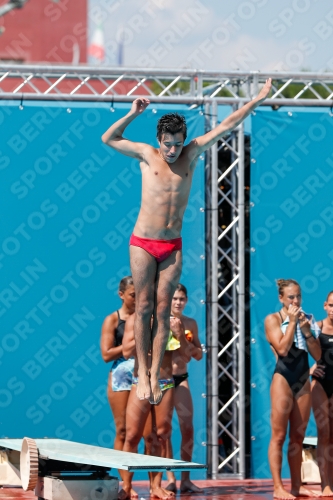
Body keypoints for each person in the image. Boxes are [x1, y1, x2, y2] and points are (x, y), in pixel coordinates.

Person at [101, 78, 272, 404]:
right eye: (167, 143)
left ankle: (153, 374)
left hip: (171, 245)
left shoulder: (191, 154)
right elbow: (108, 138)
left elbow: (228, 124)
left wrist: (259, 98)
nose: (171, 150)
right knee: (145, 305)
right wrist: (132, 113)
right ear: (159, 140)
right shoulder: (147, 154)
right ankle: (142, 372)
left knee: (163, 310)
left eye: (177, 144)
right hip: (142, 243)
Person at [264, 279, 321, 500]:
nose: (295, 301)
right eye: (291, 297)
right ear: (281, 298)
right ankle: (278, 487)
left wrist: (306, 330)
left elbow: (317, 355)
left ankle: (297, 486)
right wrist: (292, 322)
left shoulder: (307, 319)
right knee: (278, 435)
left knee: (298, 436)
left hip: (302, 378)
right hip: (283, 377)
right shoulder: (273, 319)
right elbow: (282, 348)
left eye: (298, 296)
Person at [119, 312, 185, 500]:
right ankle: (126, 486)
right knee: (132, 435)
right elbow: (126, 352)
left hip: (165, 382)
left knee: (159, 436)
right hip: (141, 382)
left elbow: (186, 355)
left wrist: (179, 333)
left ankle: (155, 486)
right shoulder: (135, 319)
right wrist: (144, 334)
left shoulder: (171, 319)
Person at [164, 283, 203, 494]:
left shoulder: (190, 323)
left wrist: (186, 342)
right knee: (165, 431)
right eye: (175, 298)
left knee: (187, 428)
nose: (178, 302)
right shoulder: (159, 321)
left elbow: (197, 353)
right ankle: (170, 477)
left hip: (181, 378)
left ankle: (186, 478)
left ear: (186, 301)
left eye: (182, 299)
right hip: (163, 380)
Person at [100, 276, 137, 496]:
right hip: (121, 377)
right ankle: (125, 486)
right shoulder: (112, 320)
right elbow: (106, 354)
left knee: (145, 433)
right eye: (133, 295)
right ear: (121, 295)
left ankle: (156, 483)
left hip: (144, 376)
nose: (137, 298)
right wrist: (128, 346)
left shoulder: (146, 317)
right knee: (123, 430)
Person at [311, 290, 333, 497]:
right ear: (325, 306)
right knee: (324, 433)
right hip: (320, 384)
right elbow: (294, 352)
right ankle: (324, 483)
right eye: (332, 306)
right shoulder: (316, 328)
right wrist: (308, 369)